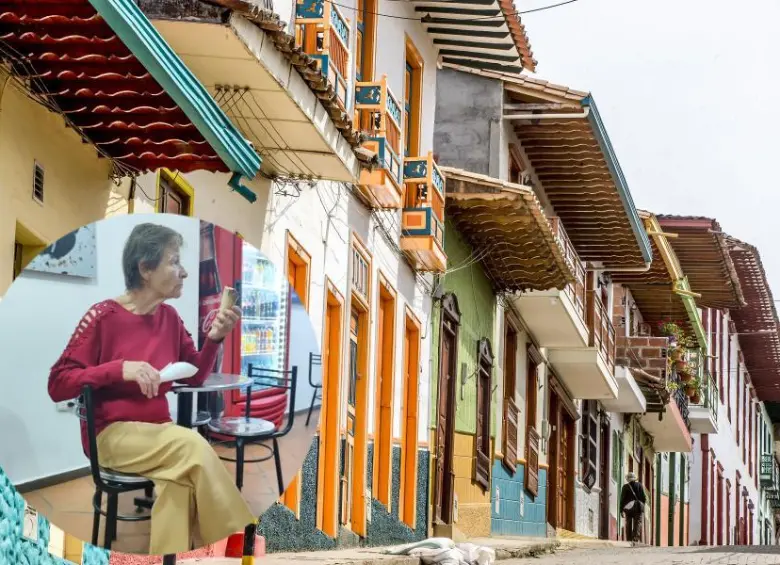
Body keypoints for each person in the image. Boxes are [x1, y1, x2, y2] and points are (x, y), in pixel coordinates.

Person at [48, 222, 255, 555]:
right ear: (145, 268)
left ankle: (168, 558)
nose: (184, 272)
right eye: (174, 261)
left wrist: (215, 338)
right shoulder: (102, 316)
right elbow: (58, 383)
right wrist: (120, 369)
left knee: (179, 482)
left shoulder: (170, 318)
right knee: (194, 447)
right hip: (111, 435)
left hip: (159, 435)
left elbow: (195, 375)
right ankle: (239, 548)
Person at [620, 472, 647, 543]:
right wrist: (642, 504)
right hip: (638, 508)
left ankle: (628, 539)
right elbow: (644, 498)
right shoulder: (639, 485)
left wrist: (621, 510)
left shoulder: (625, 487)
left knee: (628, 523)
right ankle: (635, 539)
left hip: (628, 508)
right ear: (635, 478)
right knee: (637, 523)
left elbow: (622, 499)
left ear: (628, 479)